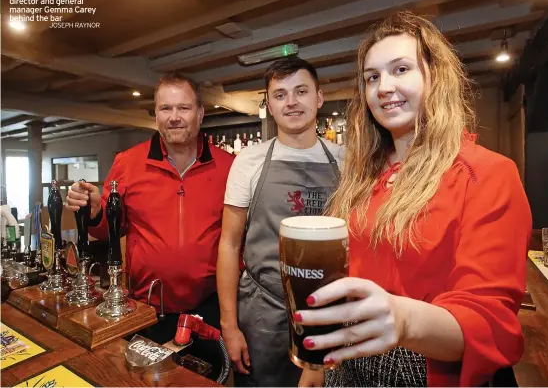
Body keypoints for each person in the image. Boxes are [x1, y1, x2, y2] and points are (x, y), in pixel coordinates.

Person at [296, 11, 532, 387]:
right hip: (350, 363)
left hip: (426, 369)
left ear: (435, 77)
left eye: (401, 69)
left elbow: (491, 325)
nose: (383, 87)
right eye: (372, 77)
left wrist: (402, 319)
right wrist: (315, 365)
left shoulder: (486, 174)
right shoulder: (364, 177)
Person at [65, 73, 234, 346]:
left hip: (210, 307)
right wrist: (95, 211)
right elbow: (109, 229)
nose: (174, 117)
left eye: (184, 108)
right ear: (156, 114)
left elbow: (238, 238)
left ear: (200, 113)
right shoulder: (128, 162)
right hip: (146, 309)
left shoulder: (229, 166)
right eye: (165, 108)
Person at [217, 57, 345, 387]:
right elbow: (229, 245)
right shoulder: (249, 161)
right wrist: (229, 326)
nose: (291, 102)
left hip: (331, 315)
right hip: (262, 312)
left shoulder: (347, 161)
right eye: (280, 94)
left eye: (301, 91)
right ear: (270, 106)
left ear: (318, 99)